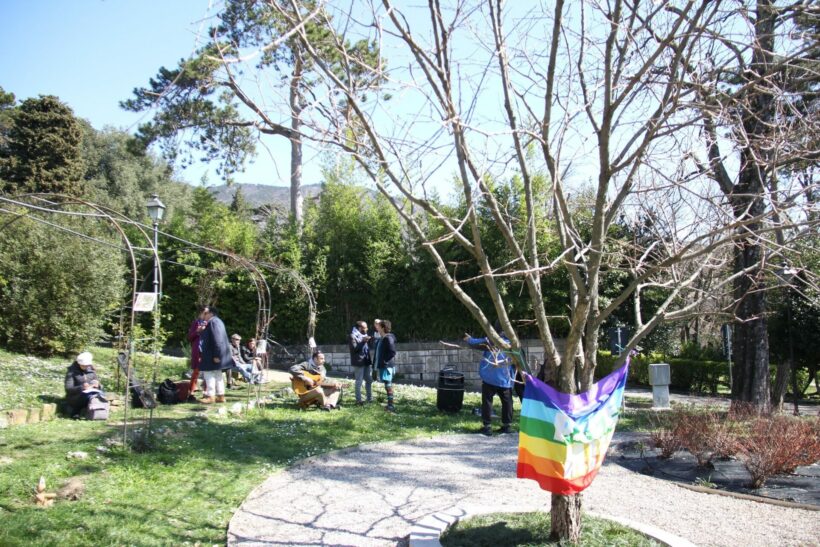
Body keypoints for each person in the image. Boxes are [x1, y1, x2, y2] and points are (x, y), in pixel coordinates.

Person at [464, 326, 514, 435]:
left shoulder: (491, 341)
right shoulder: (512, 344)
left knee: (487, 401)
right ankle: (507, 426)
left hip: (489, 377)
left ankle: (487, 427)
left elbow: (475, 343)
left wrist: (468, 339)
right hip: (505, 378)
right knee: (507, 402)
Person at [199, 306, 233, 403]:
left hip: (212, 354)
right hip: (215, 353)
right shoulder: (217, 321)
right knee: (218, 374)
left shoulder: (213, 322)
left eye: (205, 313)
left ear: (211, 313)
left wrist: (216, 355)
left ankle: (210, 396)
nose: (203, 315)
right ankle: (220, 396)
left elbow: (217, 339)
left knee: (209, 374)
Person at [64, 351, 105, 417]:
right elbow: (68, 389)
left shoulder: (91, 371)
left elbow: (96, 381)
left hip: (91, 393)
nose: (86, 367)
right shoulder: (71, 372)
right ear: (79, 363)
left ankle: (99, 413)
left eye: (87, 365)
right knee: (86, 396)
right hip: (75, 396)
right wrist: (82, 387)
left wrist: (98, 385)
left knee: (101, 394)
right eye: (83, 365)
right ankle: (75, 413)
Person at [373, 319, 397, 412]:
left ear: (383, 328)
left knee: (388, 385)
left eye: (379, 326)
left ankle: (391, 406)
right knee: (387, 385)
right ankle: (390, 405)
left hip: (387, 366)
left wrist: (385, 361)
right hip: (384, 365)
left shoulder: (388, 338)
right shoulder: (382, 338)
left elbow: (392, 352)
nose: (377, 327)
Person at [349, 321, 373, 405]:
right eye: (365, 327)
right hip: (358, 362)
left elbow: (367, 348)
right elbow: (354, 349)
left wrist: (369, 340)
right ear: (360, 328)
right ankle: (358, 400)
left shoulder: (364, 335)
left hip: (366, 361)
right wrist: (363, 341)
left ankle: (369, 399)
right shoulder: (352, 336)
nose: (367, 329)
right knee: (359, 381)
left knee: (369, 380)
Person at [187, 307, 208, 400]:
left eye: (207, 313)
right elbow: (190, 337)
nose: (206, 315)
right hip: (198, 350)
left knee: (207, 372)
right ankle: (191, 393)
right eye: (205, 313)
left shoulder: (209, 323)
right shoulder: (196, 323)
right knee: (196, 371)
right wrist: (198, 331)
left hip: (207, 350)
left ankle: (206, 393)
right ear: (201, 313)